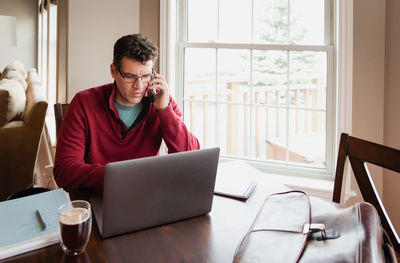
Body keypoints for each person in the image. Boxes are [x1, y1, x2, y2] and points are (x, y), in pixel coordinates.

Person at [54, 33, 200, 194]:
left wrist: (165, 111)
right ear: (113, 71)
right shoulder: (83, 103)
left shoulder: (162, 101)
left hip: (145, 196)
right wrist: (122, 177)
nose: (139, 86)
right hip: (97, 197)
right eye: (130, 77)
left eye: (145, 76)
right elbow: (64, 171)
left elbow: (191, 160)